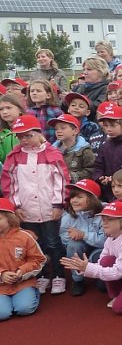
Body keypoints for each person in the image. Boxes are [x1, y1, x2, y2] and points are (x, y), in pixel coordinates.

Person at [0, 114, 69, 295]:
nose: (24, 140)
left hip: (49, 209)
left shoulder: (52, 154)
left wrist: (58, 204)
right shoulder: (14, 156)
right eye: (20, 136)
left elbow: (61, 180)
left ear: (39, 133)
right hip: (26, 211)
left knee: (53, 243)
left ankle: (59, 275)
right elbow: (9, 183)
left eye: (28, 135)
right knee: (34, 244)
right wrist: (15, 206)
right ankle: (42, 275)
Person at [62, 200, 122, 315]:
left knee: (119, 308)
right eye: (103, 219)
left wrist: (88, 268)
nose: (104, 223)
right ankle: (118, 295)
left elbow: (117, 273)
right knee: (106, 261)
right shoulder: (111, 238)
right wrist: (83, 268)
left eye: (110, 220)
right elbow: (102, 262)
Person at [0, 197, 47, 320]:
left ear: (10, 219)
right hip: (1, 286)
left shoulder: (24, 236)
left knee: (24, 308)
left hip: (23, 283)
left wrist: (22, 271)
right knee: (2, 314)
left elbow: (38, 259)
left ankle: (33, 292)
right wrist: (2, 275)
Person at [60, 179, 105, 296]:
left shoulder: (104, 214)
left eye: (79, 197)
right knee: (73, 245)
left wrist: (84, 235)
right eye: (72, 197)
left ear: (92, 199)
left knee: (101, 255)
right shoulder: (68, 215)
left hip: (99, 248)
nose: (74, 201)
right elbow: (64, 237)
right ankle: (77, 280)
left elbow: (105, 242)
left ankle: (102, 276)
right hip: (81, 247)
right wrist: (73, 237)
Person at [50, 113, 94, 183]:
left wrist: (72, 176)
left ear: (75, 131)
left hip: (76, 187)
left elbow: (91, 170)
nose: (58, 131)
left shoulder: (84, 150)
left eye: (63, 128)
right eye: (56, 129)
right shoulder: (51, 151)